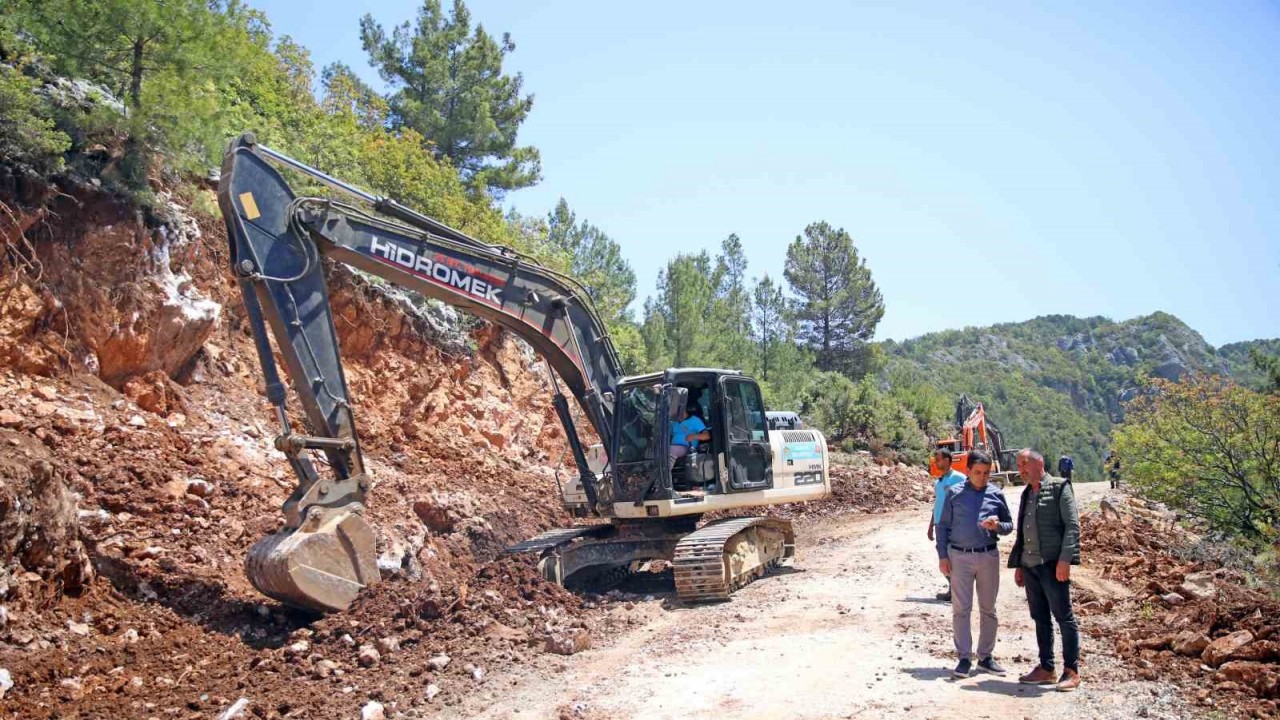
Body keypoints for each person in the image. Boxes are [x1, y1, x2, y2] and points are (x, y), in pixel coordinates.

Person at [935, 450, 1013, 679]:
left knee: (988, 609)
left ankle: (986, 657)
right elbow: (942, 527)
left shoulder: (996, 494)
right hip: (959, 556)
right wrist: (942, 556)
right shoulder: (954, 494)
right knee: (961, 609)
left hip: (988, 556)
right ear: (967, 471)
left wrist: (998, 526)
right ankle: (964, 657)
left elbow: (1009, 525)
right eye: (977, 472)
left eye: (986, 473)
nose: (982, 477)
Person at [1010, 449, 1082, 692]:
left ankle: (1071, 671)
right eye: (1018, 465)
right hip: (1030, 567)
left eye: (1024, 464)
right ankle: (1046, 668)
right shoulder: (1026, 493)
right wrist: (1019, 564)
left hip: (1052, 565)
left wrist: (1065, 560)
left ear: (1038, 462)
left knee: (1064, 617)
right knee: (1040, 618)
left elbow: (1072, 526)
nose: (1021, 469)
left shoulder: (1060, 487)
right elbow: (1022, 531)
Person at [928, 448, 968, 602]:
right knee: (943, 556)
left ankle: (958, 591)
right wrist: (931, 525)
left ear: (947, 460)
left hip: (953, 525)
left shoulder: (960, 478)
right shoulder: (939, 481)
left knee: (954, 557)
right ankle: (953, 589)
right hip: (940, 525)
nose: (936, 462)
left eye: (938, 459)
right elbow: (938, 504)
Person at [669, 403, 710, 469]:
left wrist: (694, 436)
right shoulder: (674, 423)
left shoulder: (695, 420)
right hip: (674, 447)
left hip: (688, 448)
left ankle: (663, 475)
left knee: (670, 450)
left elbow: (706, 436)